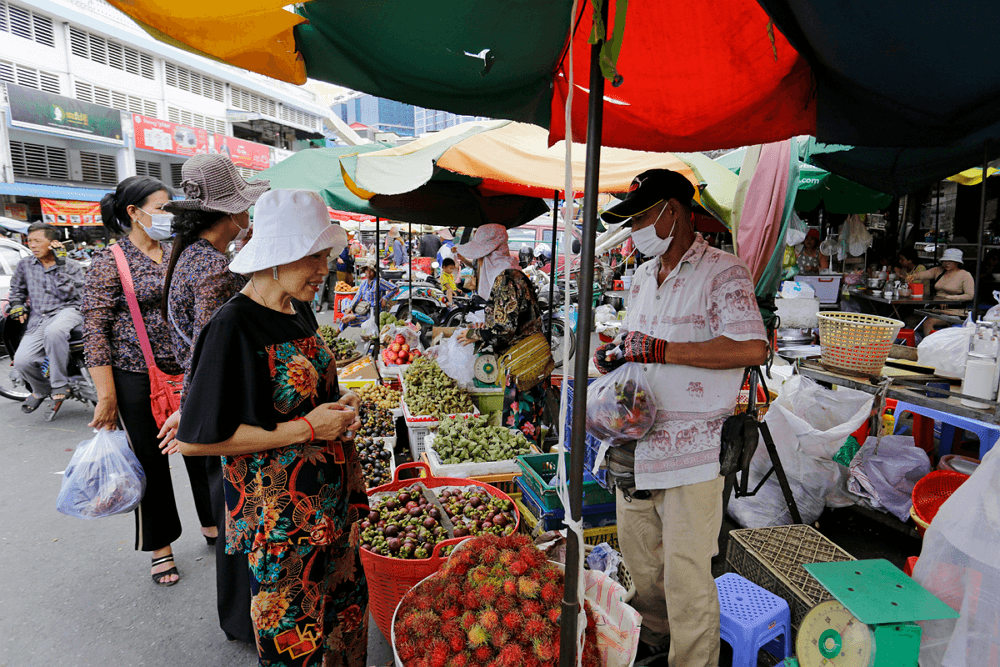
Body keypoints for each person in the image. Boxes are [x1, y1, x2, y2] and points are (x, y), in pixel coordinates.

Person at [174, 189, 368, 667]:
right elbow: (196, 441)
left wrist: (336, 406)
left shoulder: (297, 308)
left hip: (330, 507)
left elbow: (304, 396)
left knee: (344, 620)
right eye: (316, 257)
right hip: (282, 523)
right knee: (295, 641)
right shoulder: (232, 325)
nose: (326, 269)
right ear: (279, 257)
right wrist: (305, 428)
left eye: (326, 255)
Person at [595, 169, 768, 667]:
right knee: (643, 566)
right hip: (636, 442)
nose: (634, 230)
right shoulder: (644, 277)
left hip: (694, 453)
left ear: (673, 211)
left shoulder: (723, 271)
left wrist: (662, 349)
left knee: (687, 573)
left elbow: (751, 347)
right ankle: (655, 637)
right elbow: (640, 345)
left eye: (642, 217)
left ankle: (693, 659)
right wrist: (619, 355)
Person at [157, 153, 269, 640]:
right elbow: (215, 347)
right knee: (241, 512)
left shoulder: (184, 254)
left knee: (229, 513)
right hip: (221, 401)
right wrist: (194, 406)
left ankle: (236, 614)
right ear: (230, 213)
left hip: (199, 390)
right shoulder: (214, 270)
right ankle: (245, 616)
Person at [83, 176, 189, 587]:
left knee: (202, 444)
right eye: (162, 208)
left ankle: (213, 524)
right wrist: (106, 396)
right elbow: (95, 331)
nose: (168, 216)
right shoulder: (110, 261)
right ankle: (160, 546)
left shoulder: (176, 251)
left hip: (183, 368)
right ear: (134, 212)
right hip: (134, 374)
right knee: (150, 457)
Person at [456, 224, 552, 444]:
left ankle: (523, 472)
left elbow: (504, 329)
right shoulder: (513, 272)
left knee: (520, 432)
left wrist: (474, 334)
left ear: (488, 255)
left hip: (523, 362)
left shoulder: (505, 278)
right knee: (526, 424)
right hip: (527, 359)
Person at [8, 223, 86, 413]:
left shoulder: (71, 265)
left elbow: (73, 296)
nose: (32, 245)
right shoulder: (25, 265)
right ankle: (41, 389)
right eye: (30, 241)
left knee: (55, 331)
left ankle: (60, 383)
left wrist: (60, 267)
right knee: (22, 360)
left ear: (53, 243)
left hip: (67, 311)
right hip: (39, 317)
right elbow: (17, 290)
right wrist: (17, 304)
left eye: (37, 241)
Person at [910, 248, 976, 335]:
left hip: (954, 312)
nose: (946, 263)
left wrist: (949, 298)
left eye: (950, 261)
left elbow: (970, 295)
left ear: (957, 262)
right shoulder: (938, 270)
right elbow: (921, 275)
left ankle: (930, 347)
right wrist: (911, 277)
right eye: (945, 261)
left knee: (928, 323)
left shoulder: (965, 275)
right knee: (910, 320)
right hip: (936, 309)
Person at [340, 257, 398, 328]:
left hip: (373, 312)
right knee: (345, 301)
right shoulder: (364, 282)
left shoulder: (379, 282)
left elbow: (395, 288)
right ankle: (349, 314)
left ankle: (342, 326)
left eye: (371, 271)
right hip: (363, 308)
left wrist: (385, 298)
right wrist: (350, 308)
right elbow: (358, 296)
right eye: (367, 270)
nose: (368, 272)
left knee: (347, 321)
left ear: (375, 272)